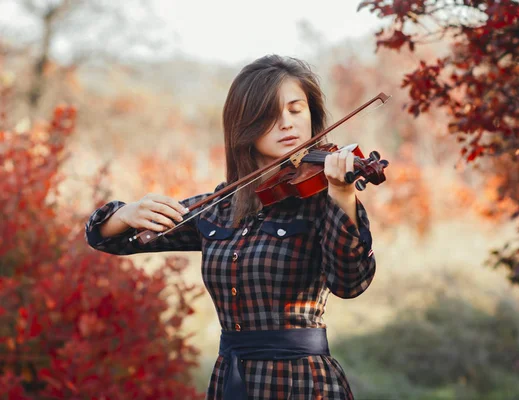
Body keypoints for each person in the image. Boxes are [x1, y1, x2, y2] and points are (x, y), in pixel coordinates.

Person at [85, 54, 376, 400]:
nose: (287, 123)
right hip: (232, 378)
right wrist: (125, 214)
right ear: (245, 125)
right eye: (271, 114)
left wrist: (342, 195)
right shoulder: (220, 208)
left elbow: (350, 282)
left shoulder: (324, 200)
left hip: (303, 384)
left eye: (296, 110)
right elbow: (111, 240)